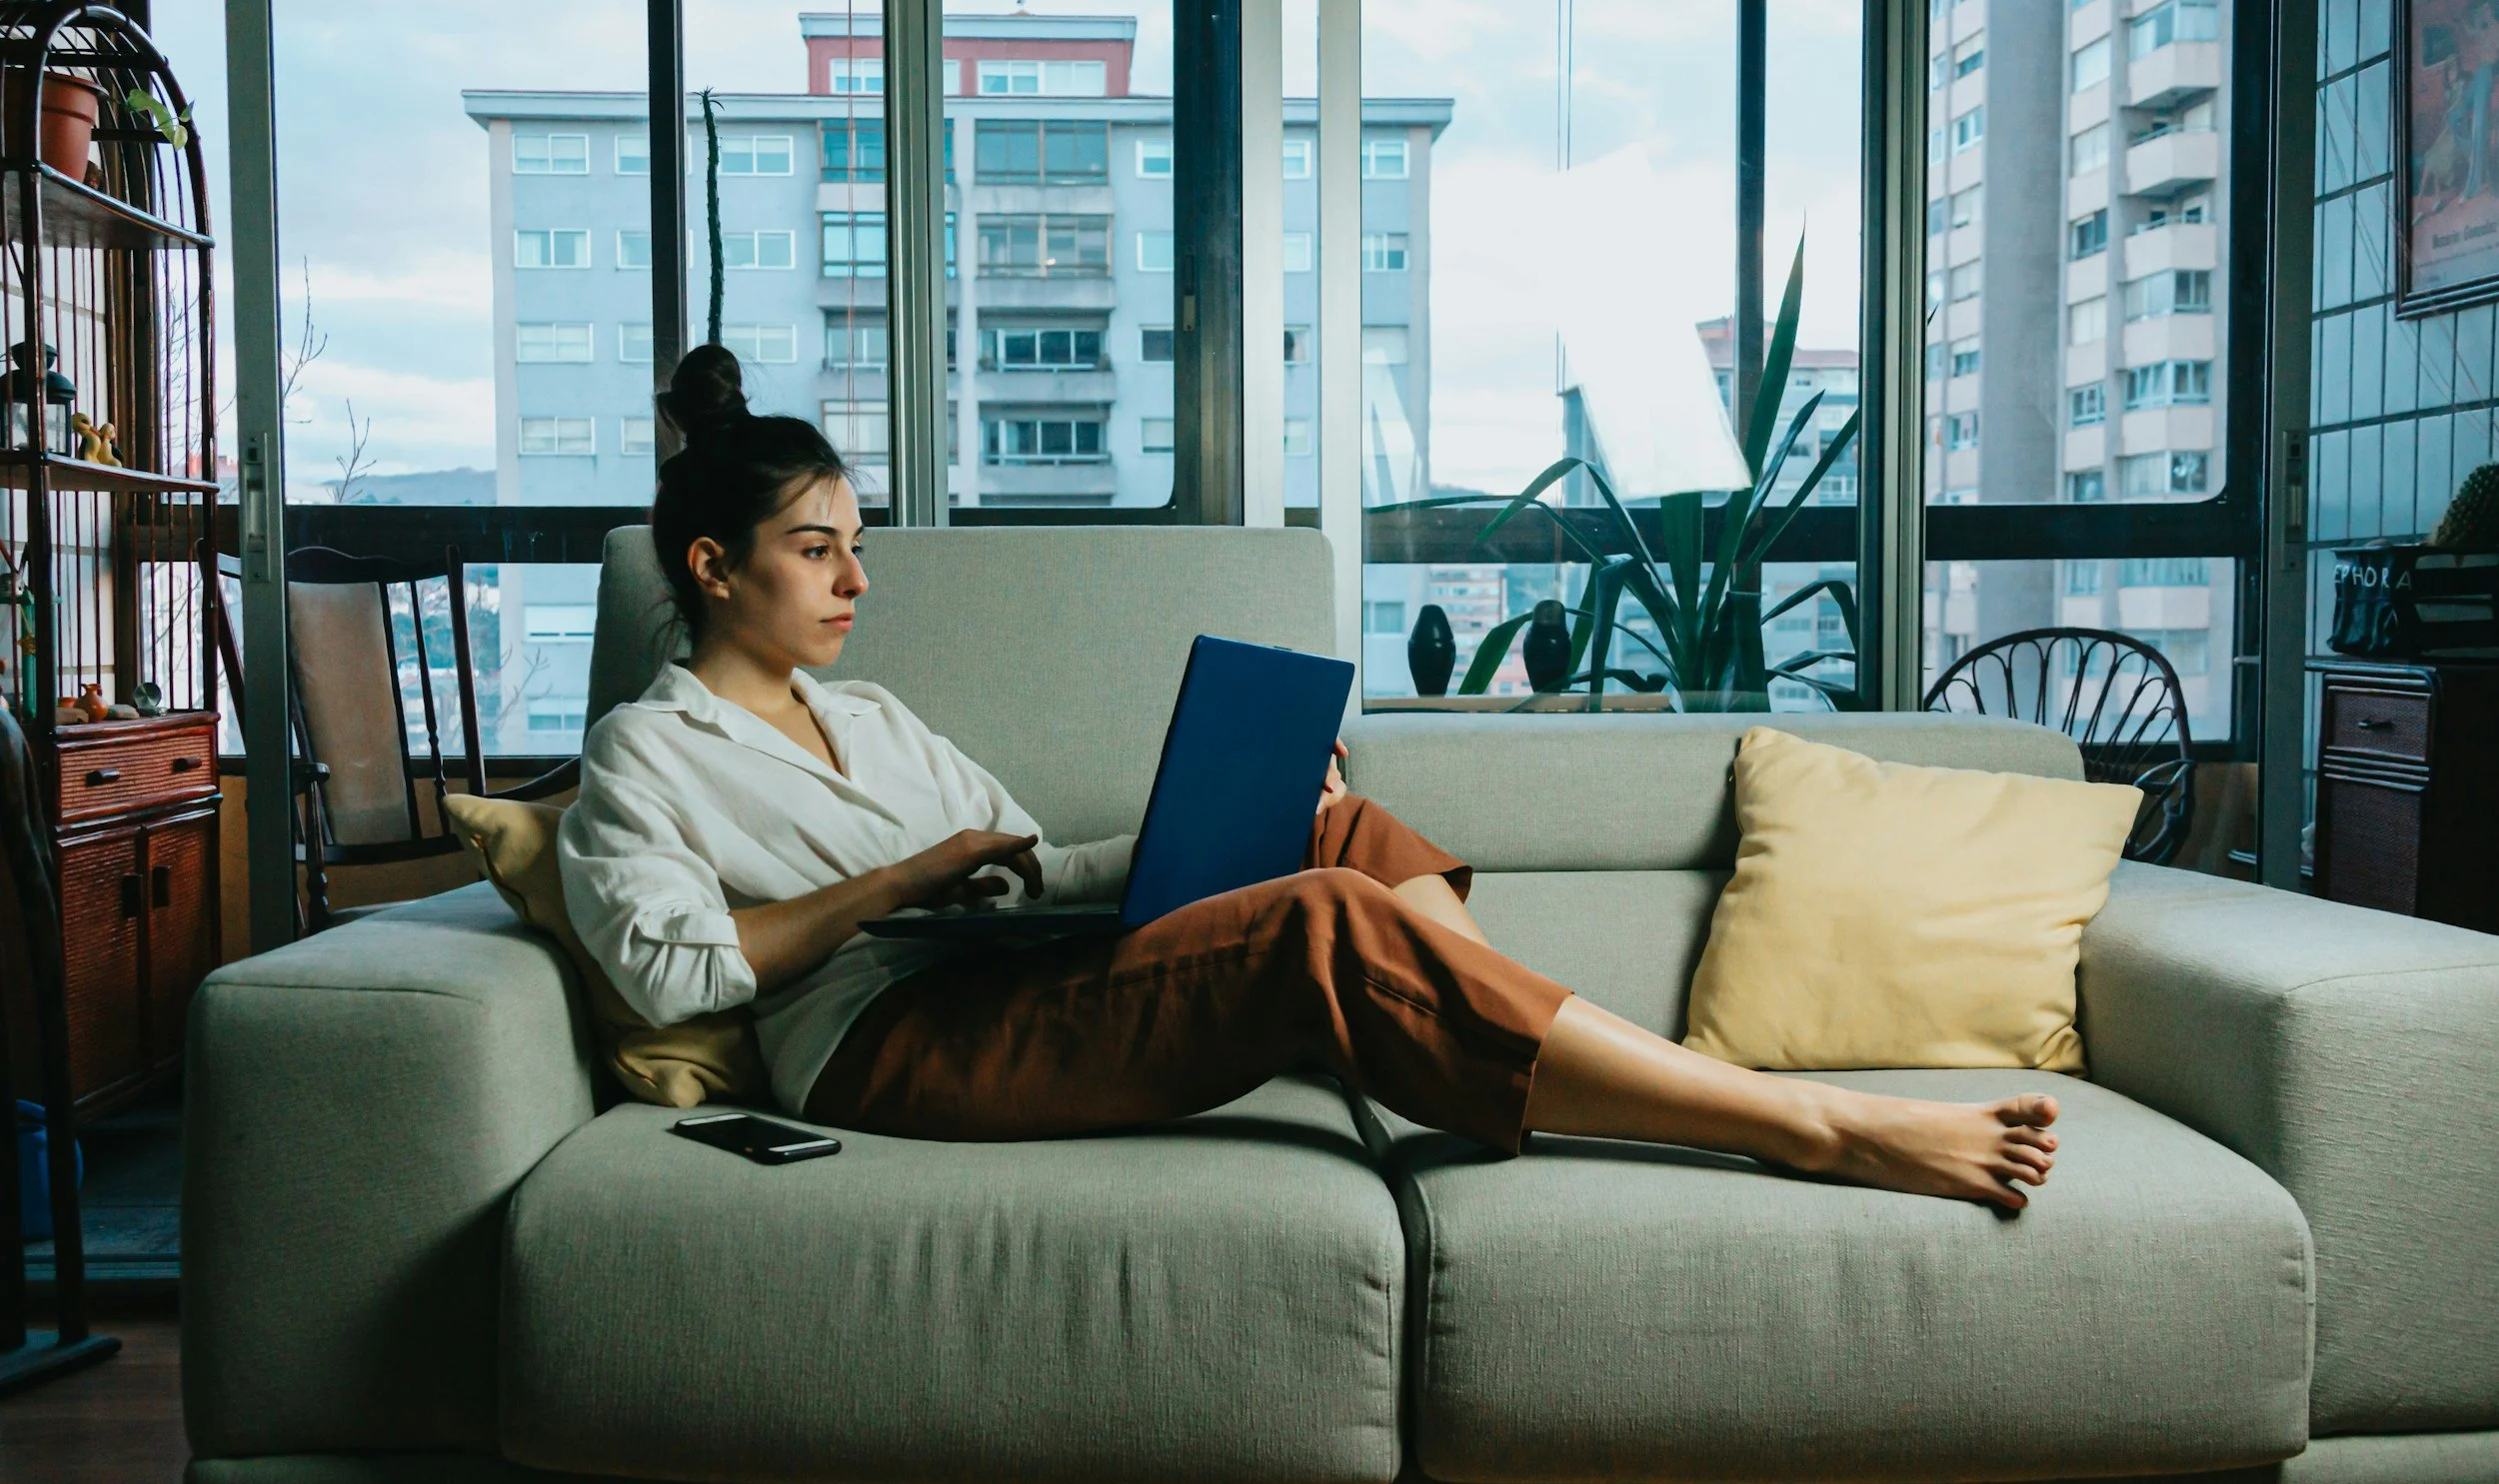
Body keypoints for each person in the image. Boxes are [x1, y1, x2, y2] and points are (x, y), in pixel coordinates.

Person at [560, 347, 2061, 1210]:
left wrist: (1234, 810)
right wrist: (895, 883)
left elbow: (1020, 866)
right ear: (712, 566)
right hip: (885, 1049)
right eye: (818, 549)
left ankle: (1508, 1044)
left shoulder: (873, 714)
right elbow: (673, 963)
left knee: (1332, 827)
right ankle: (1803, 1123)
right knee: (1321, 923)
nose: (855, 580)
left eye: (857, 544)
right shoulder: (645, 752)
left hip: (999, 978)